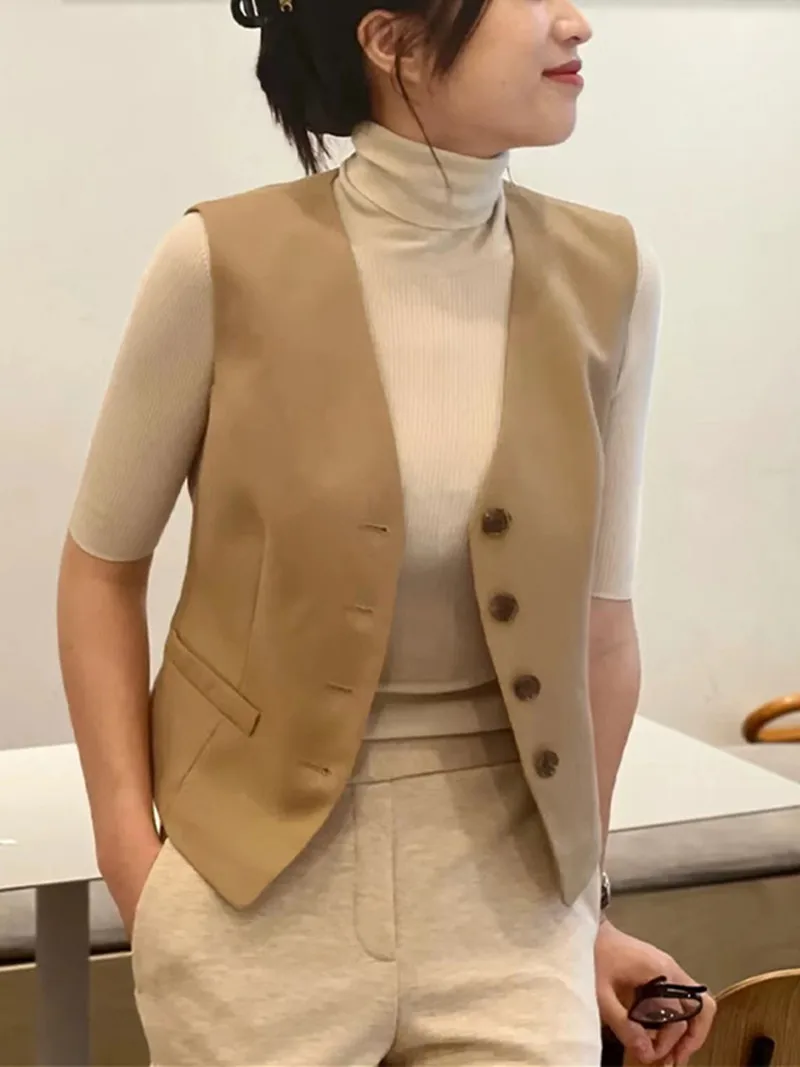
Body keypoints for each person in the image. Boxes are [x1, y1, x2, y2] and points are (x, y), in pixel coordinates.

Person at [57, 0, 716, 1064]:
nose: (575, 23)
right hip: (251, 892)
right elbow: (99, 572)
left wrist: (582, 907)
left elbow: (601, 627)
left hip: (514, 902)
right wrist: (136, 865)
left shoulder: (612, 273)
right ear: (390, 38)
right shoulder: (220, 260)